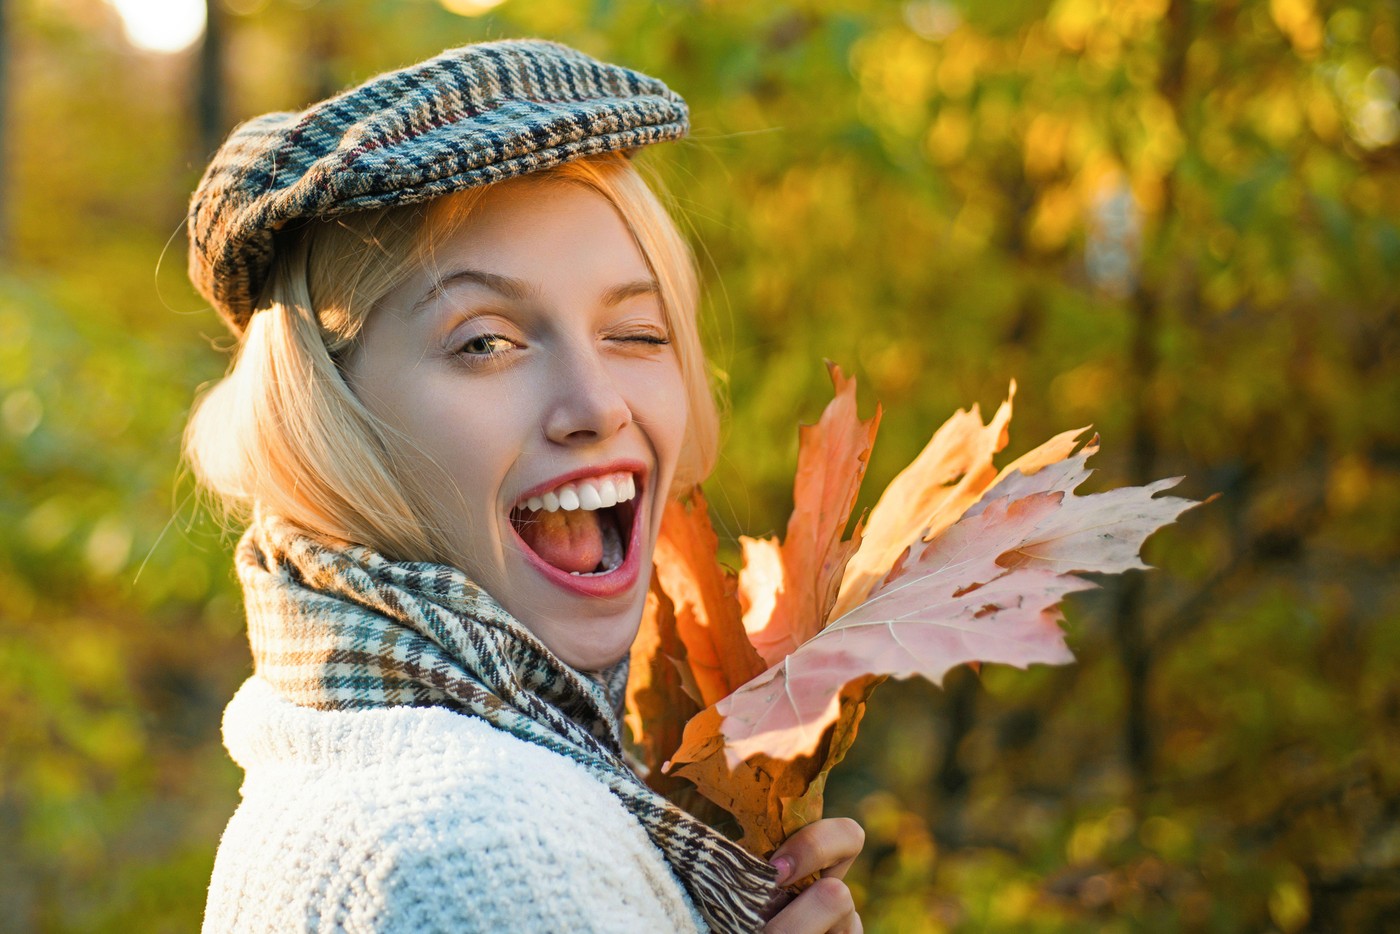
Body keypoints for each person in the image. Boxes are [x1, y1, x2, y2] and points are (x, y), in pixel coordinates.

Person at [184, 39, 864, 933]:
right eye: (486, 342)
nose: (597, 405)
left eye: (637, 332)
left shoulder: (341, 744)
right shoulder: (480, 849)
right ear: (327, 413)